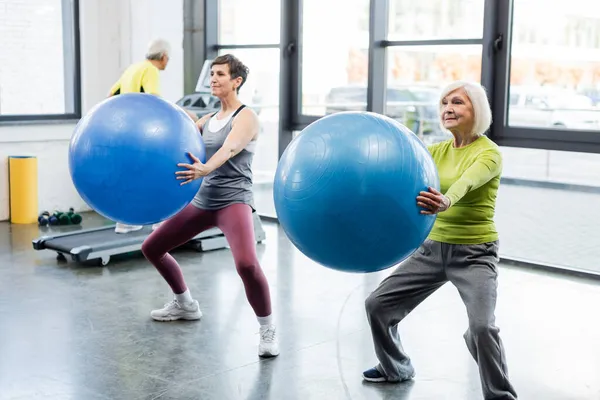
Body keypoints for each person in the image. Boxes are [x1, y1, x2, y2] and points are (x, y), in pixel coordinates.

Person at [362, 81, 518, 400]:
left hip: (475, 254)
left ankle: (500, 395)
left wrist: (446, 201)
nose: (448, 108)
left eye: (457, 102)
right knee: (378, 304)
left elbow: (467, 181)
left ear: (477, 110)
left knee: (482, 328)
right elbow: (404, 173)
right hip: (431, 250)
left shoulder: (489, 153)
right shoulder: (435, 151)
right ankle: (395, 367)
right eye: (444, 102)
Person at [140, 54, 279, 358]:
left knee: (246, 264)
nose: (213, 79)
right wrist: (157, 108)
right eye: (212, 74)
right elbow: (186, 126)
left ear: (236, 81)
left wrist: (205, 168)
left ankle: (267, 328)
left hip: (233, 202)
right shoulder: (209, 119)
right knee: (152, 248)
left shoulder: (246, 117)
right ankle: (185, 303)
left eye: (220, 75)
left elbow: (230, 148)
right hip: (203, 202)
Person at [108, 38, 198, 234]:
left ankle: (125, 221)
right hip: (143, 133)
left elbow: (111, 95)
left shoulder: (133, 68)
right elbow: (154, 100)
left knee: (132, 175)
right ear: (164, 57)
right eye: (169, 59)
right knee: (162, 171)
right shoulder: (150, 70)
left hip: (125, 132)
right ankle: (160, 220)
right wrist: (184, 114)